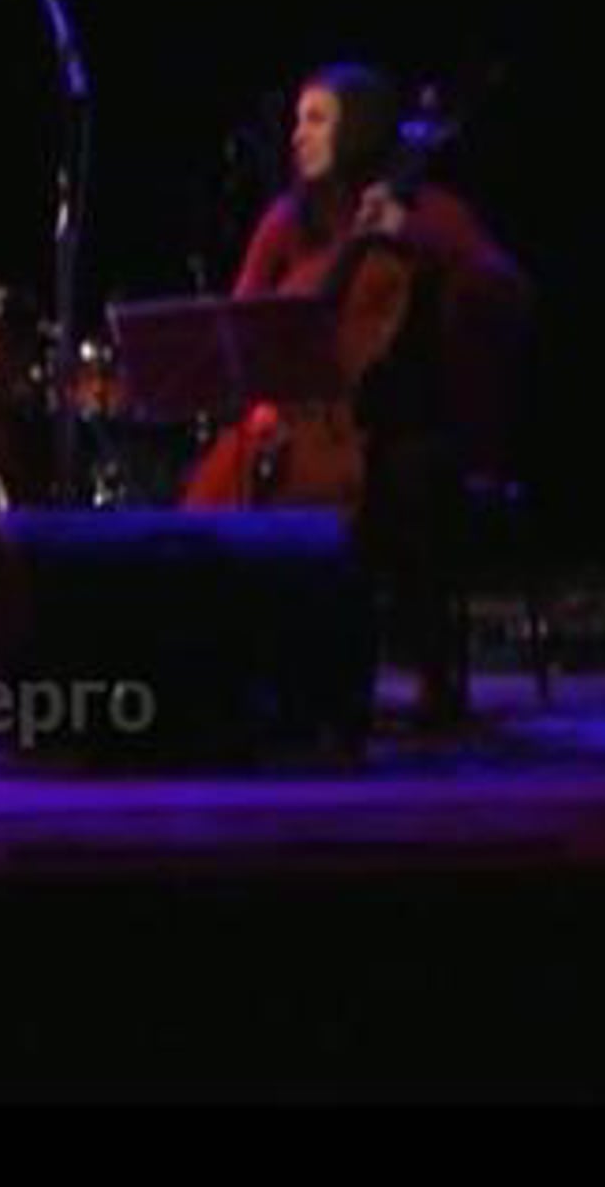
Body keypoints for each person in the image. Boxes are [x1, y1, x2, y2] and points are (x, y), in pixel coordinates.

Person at [225, 62, 532, 722]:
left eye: (316, 120)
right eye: (298, 120)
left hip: (402, 422)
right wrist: (261, 400)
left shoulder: (426, 212)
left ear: (357, 130)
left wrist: (412, 234)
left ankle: (427, 672)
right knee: (223, 489)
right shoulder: (287, 220)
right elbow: (242, 320)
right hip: (297, 421)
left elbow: (506, 289)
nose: (298, 135)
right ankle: (242, 670)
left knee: (410, 476)